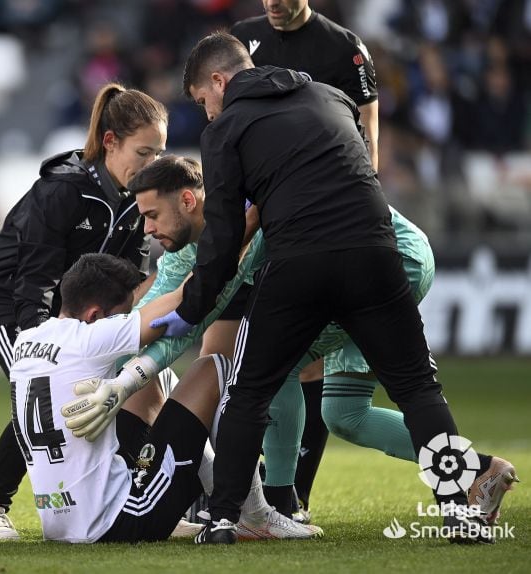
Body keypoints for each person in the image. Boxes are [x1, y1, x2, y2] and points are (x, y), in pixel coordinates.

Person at [156, 31, 489, 544]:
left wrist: (193, 305)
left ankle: (223, 519)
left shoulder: (226, 130)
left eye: (203, 101)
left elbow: (222, 235)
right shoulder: (331, 98)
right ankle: (460, 514)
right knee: (418, 389)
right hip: (377, 255)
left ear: (219, 81)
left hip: (300, 264)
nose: (207, 114)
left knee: (249, 389)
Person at [125, 155, 518, 529]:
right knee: (346, 415)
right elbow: (154, 310)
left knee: (279, 365)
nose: (147, 229)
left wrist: (128, 376)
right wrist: (106, 351)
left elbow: (210, 304)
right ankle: (479, 470)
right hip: (380, 257)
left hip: (385, 261)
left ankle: (281, 504)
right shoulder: (183, 249)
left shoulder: (241, 216)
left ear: (189, 200)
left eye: (152, 216)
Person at [199, 0, 381, 518]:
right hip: (258, 215)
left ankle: (289, 495)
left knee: (300, 365)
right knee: (219, 351)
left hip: (312, 224)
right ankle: (220, 488)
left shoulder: (344, 49)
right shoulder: (241, 38)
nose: (274, 3)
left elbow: (367, 137)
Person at [0, 83, 166, 539]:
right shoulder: (63, 189)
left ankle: (127, 490)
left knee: (117, 383)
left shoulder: (136, 201)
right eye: (145, 152)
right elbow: (33, 280)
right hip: (7, 298)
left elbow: (129, 283)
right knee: (38, 392)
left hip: (69, 306)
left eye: (159, 153)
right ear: (111, 142)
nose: (152, 164)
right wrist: (42, 345)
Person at [16, 253, 318, 543]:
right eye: (122, 315)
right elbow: (184, 298)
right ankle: (254, 515)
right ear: (95, 315)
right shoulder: (91, 338)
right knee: (215, 367)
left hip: (57, 523)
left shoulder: (27, 341)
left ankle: (215, 496)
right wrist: (238, 235)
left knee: (151, 376)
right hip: (123, 518)